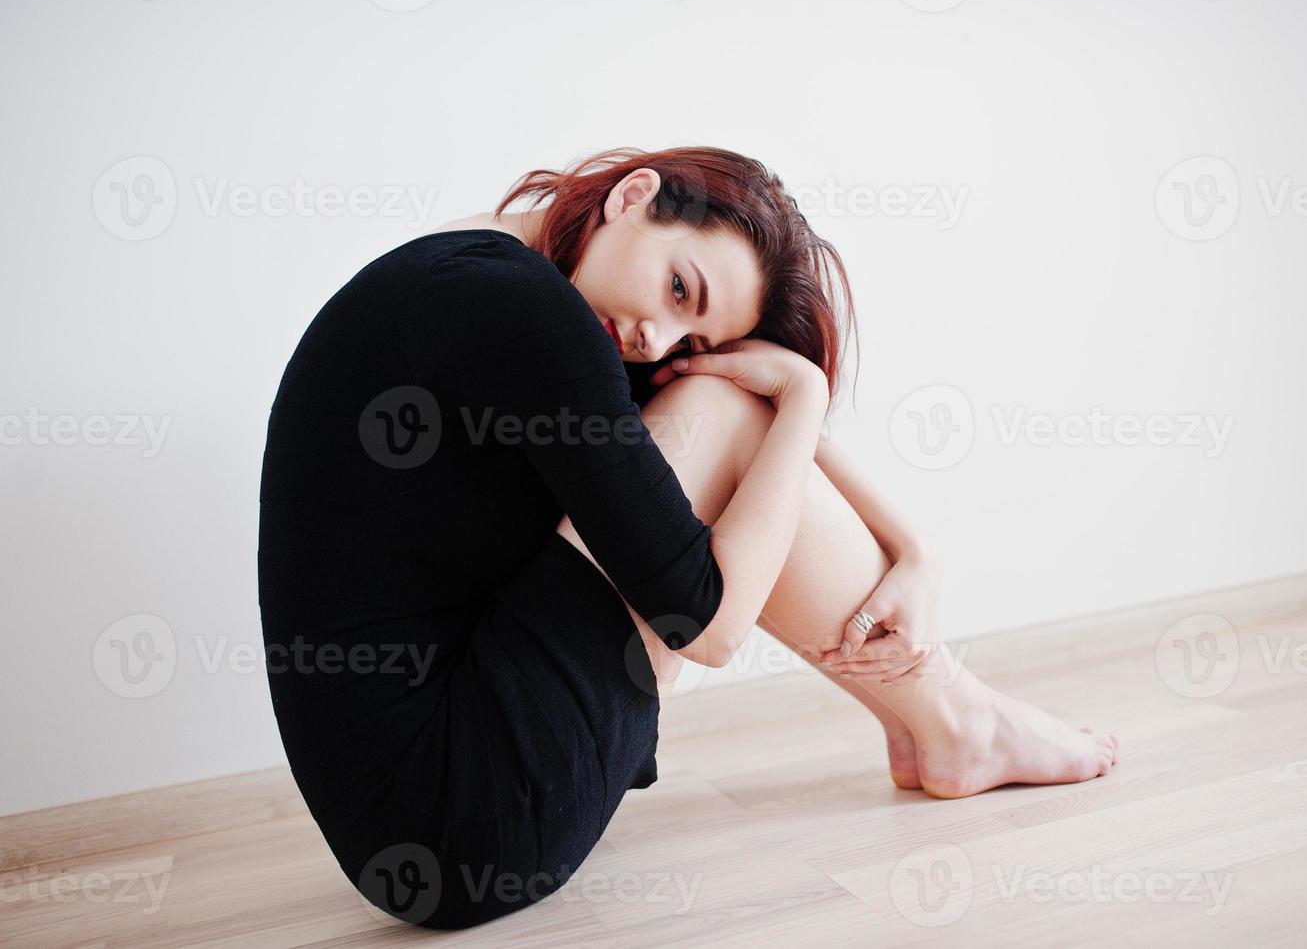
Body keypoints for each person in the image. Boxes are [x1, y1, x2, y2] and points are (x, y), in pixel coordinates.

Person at [257, 146, 1118, 930]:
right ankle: (957, 720)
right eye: (678, 289)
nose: (655, 338)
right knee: (719, 409)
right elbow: (709, 627)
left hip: (421, 811)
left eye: (692, 333)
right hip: (470, 821)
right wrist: (805, 395)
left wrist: (912, 543)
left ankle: (940, 714)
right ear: (635, 195)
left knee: (717, 403)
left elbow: (725, 408)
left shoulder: (485, 269)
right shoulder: (533, 315)